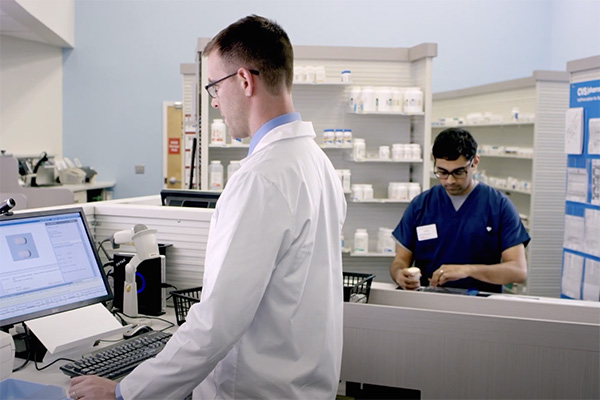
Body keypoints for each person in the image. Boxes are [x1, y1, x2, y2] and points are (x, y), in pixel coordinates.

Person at [69, 15, 346, 400]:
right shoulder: (318, 164)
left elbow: (217, 322)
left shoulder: (261, 178)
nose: (214, 101)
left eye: (214, 86)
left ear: (245, 81)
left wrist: (124, 393)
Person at [390, 127, 529, 293]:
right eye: (442, 172)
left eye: (458, 172)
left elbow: (518, 271)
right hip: (429, 301)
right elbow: (400, 261)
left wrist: (467, 271)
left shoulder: (498, 206)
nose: (449, 180)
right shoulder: (421, 205)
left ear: (475, 162)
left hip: (480, 306)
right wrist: (399, 274)